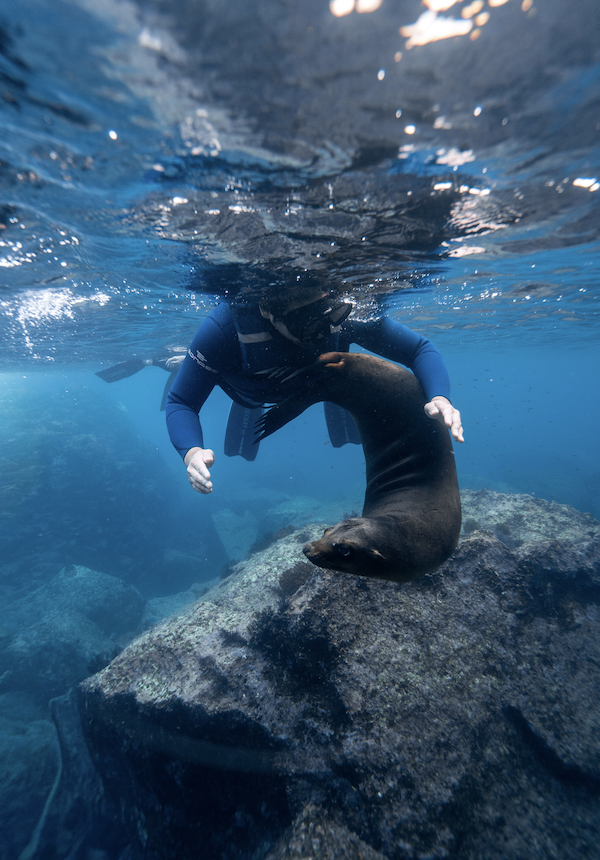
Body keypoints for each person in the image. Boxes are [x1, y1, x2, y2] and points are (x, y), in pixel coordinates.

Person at [166, 288, 464, 494]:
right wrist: (191, 452)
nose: (322, 331)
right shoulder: (223, 330)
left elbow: (419, 349)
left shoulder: (342, 316)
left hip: (317, 380)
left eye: (327, 314)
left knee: (333, 365)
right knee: (195, 372)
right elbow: (182, 402)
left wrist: (440, 397)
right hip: (247, 391)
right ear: (268, 313)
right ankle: (176, 361)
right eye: (307, 322)